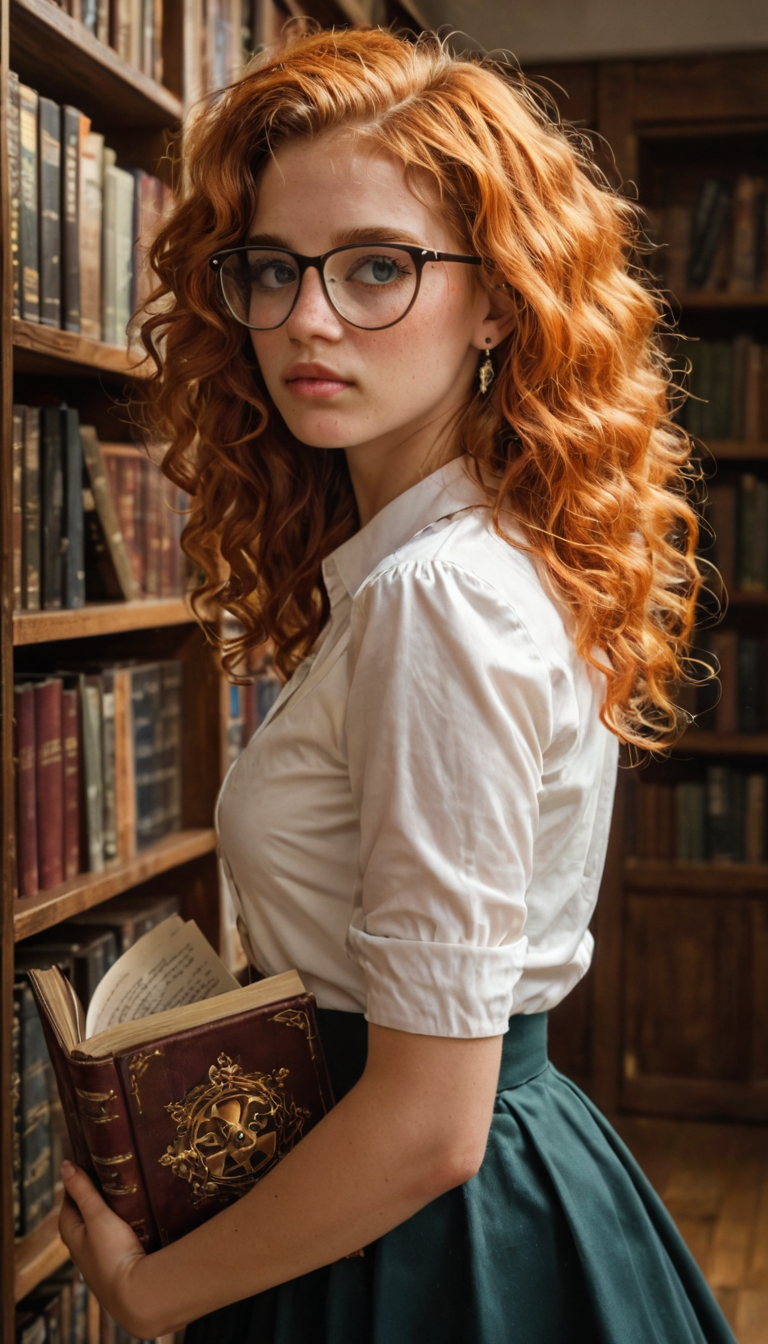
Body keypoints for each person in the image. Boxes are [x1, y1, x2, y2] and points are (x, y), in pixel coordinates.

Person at [58, 22, 734, 1344]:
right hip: (422, 1186)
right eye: (274, 268)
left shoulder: (441, 596)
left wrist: (147, 1295)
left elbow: (429, 1123)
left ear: (501, 299)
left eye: (379, 266)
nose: (308, 318)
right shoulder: (453, 554)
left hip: (417, 1235)